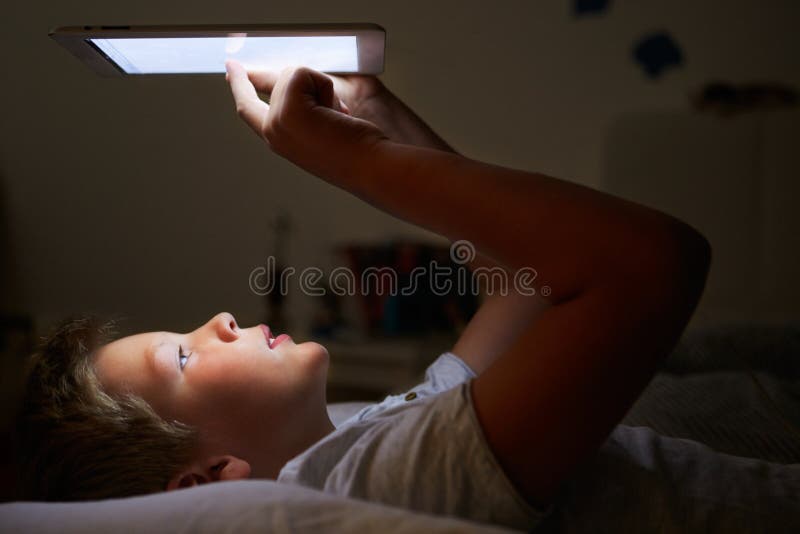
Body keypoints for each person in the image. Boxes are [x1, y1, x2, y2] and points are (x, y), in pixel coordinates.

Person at [15, 59, 712, 530]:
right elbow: (650, 265)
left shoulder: (368, 436)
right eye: (183, 360)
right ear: (209, 482)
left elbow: (518, 285)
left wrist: (379, 130)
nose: (219, 320)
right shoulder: (369, 486)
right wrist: (367, 164)